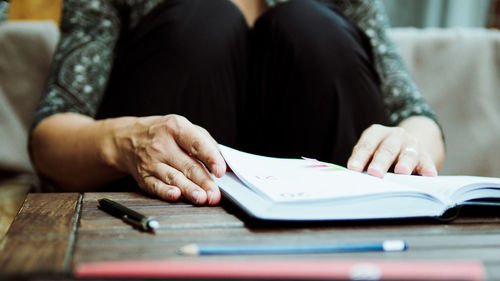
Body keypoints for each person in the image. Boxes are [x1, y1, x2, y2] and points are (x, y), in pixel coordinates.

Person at [29, 0, 445, 206]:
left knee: (310, 28)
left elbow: (415, 117)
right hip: (169, 208)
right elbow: (50, 133)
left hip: (330, 213)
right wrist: (124, 140)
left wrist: (406, 142)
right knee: (203, 23)